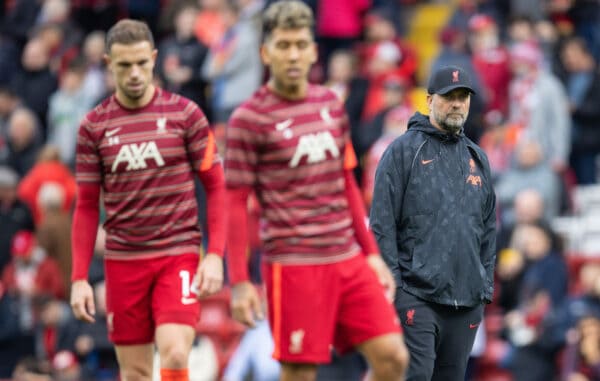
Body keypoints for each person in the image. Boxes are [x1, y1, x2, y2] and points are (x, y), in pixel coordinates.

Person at [224, 2, 409, 381]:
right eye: (283, 45)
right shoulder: (249, 119)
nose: (293, 54)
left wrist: (371, 254)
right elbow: (235, 204)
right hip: (293, 265)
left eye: (300, 45)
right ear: (266, 52)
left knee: (393, 358)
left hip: (347, 257)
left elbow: (346, 184)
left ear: (313, 50)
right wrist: (240, 282)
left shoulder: (330, 104)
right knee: (299, 373)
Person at [69, 19, 226, 381]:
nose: (135, 73)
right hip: (124, 262)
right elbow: (88, 204)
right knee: (136, 372)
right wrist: (79, 277)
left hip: (178, 253)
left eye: (142, 63)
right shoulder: (94, 126)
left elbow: (217, 187)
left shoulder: (187, 115)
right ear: (109, 64)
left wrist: (215, 255)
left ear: (154, 58)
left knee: (173, 351)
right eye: (124, 65)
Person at [370, 65, 497, 381]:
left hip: (467, 300)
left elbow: (489, 228)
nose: (457, 104)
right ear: (429, 100)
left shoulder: (477, 157)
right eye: (449, 97)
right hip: (417, 294)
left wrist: (483, 285)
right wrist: (397, 287)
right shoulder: (402, 150)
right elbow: (382, 224)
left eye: (463, 97)